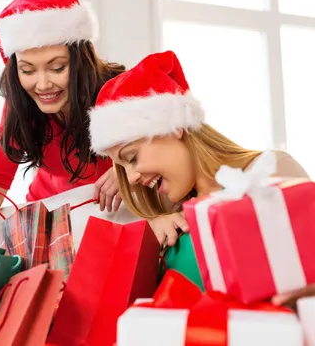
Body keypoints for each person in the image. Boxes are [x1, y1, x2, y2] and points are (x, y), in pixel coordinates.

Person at [88, 50, 311, 305]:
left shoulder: (272, 172)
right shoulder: (170, 220)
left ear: (173, 126)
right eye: (122, 168)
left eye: (132, 158)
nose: (131, 178)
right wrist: (146, 243)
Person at [0, 0, 126, 213]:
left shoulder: (118, 92)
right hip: (48, 213)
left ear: (81, 63)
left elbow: (168, 156)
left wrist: (126, 171)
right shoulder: (20, 103)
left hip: (109, 214)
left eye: (57, 68)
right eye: (28, 70)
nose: (42, 85)